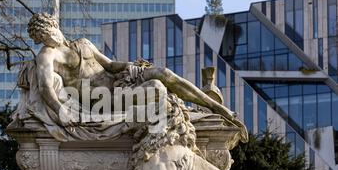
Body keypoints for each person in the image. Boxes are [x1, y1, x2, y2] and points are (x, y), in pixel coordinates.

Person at [24, 13, 247, 141]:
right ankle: (191, 111)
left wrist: (133, 66)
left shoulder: (83, 43)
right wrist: (63, 111)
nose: (48, 37)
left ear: (55, 25)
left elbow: (110, 65)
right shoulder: (47, 56)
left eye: (48, 31)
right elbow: (45, 88)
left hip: (120, 80)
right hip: (102, 101)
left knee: (163, 73)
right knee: (157, 88)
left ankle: (220, 109)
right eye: (42, 36)